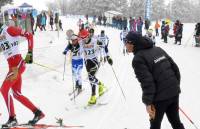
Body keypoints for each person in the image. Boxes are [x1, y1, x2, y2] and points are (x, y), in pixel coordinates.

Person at [125, 31, 185, 129]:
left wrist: (148, 103)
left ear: (132, 43)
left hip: (160, 99)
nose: (125, 45)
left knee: (155, 125)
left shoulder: (138, 59)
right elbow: (175, 69)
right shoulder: (158, 49)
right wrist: (174, 88)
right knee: (176, 122)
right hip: (174, 93)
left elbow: (148, 83)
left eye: (126, 42)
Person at [0, 23, 45, 127]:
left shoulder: (9, 29)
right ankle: (38, 113)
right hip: (12, 67)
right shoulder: (1, 33)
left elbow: (29, 34)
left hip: (17, 65)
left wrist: (30, 53)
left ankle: (12, 118)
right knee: (16, 94)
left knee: (4, 89)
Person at [82, 28, 113, 105]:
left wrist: (108, 57)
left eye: (86, 37)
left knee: (91, 77)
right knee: (91, 79)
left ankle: (94, 95)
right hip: (87, 62)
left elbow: (105, 47)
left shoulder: (95, 41)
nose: (84, 39)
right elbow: (74, 44)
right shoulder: (81, 42)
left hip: (95, 61)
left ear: (88, 35)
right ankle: (100, 86)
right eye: (83, 38)